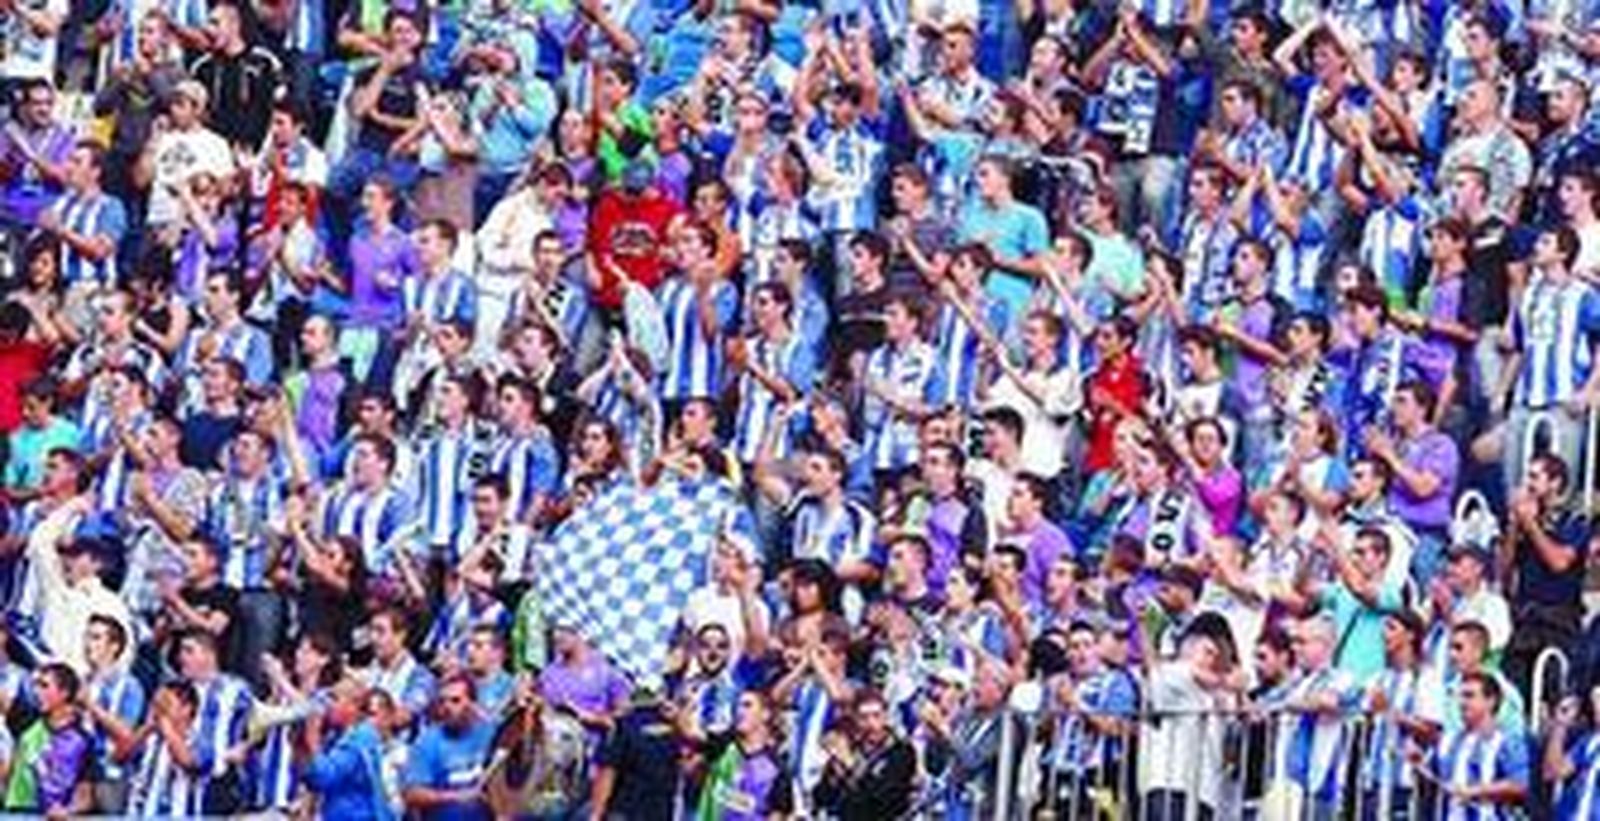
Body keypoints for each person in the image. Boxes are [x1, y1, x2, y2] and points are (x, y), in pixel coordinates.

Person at [402, 673, 494, 820]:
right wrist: (456, 797)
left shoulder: (489, 733)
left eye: (455, 701)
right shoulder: (427, 742)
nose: (447, 707)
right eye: (442, 701)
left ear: (472, 703)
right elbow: (412, 794)